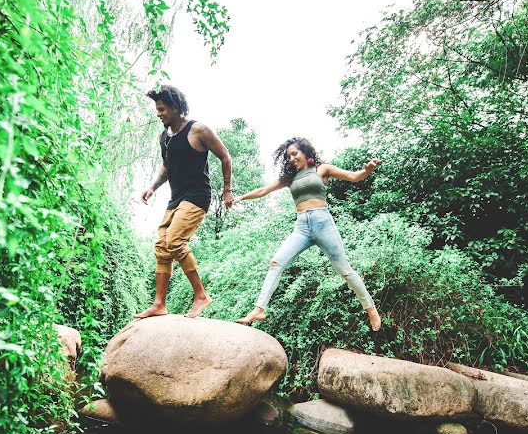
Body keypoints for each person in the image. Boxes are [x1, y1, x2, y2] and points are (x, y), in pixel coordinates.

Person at [235, 137, 382, 330]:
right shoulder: (289, 179)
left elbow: (355, 176)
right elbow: (264, 190)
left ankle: (370, 308)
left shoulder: (322, 169)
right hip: (302, 227)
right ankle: (259, 309)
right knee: (276, 262)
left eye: (294, 153)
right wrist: (240, 198)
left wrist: (367, 170)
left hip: (323, 224)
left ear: (305, 152)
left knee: (345, 270)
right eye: (288, 156)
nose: (292, 158)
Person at [135, 85, 234, 319]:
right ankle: (159, 304)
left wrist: (227, 190)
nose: (158, 114)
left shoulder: (198, 130)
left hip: (197, 196)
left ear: (176, 108)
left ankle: (201, 295)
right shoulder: (165, 137)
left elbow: (225, 156)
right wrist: (152, 187)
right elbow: (167, 167)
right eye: (157, 110)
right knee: (162, 247)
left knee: (175, 240)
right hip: (176, 198)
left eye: (162, 109)